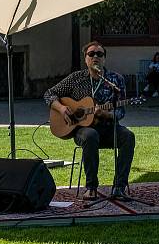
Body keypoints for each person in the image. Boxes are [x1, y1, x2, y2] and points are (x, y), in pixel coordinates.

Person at [44, 41, 134, 201]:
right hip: (82, 130)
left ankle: (119, 187)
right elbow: (49, 94)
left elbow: (120, 111)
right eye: (91, 54)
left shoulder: (115, 80)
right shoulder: (76, 78)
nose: (95, 57)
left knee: (128, 136)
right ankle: (91, 187)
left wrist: (107, 114)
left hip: (108, 128)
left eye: (99, 54)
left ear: (104, 59)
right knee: (91, 135)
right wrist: (62, 108)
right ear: (85, 59)